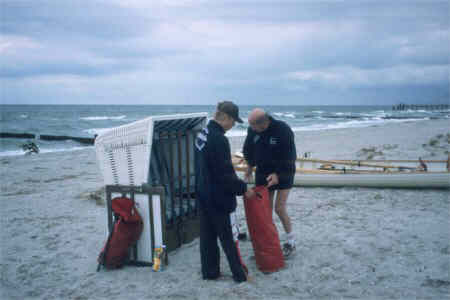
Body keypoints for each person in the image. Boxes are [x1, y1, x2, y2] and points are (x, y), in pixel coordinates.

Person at [195, 101, 255, 283]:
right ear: (225, 118)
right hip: (218, 198)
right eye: (233, 121)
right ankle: (239, 275)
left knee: (207, 238)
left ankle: (210, 272)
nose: (233, 125)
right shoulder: (219, 139)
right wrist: (244, 189)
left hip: (203, 193)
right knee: (229, 238)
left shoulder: (203, 133)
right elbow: (225, 174)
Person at [243, 108, 297, 257]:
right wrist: (249, 167)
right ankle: (268, 242)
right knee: (264, 210)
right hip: (263, 172)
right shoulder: (252, 130)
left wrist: (278, 174)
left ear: (263, 123)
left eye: (253, 125)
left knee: (279, 208)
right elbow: (248, 150)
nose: (251, 128)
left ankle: (291, 241)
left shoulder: (283, 129)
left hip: (285, 171)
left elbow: (290, 156)